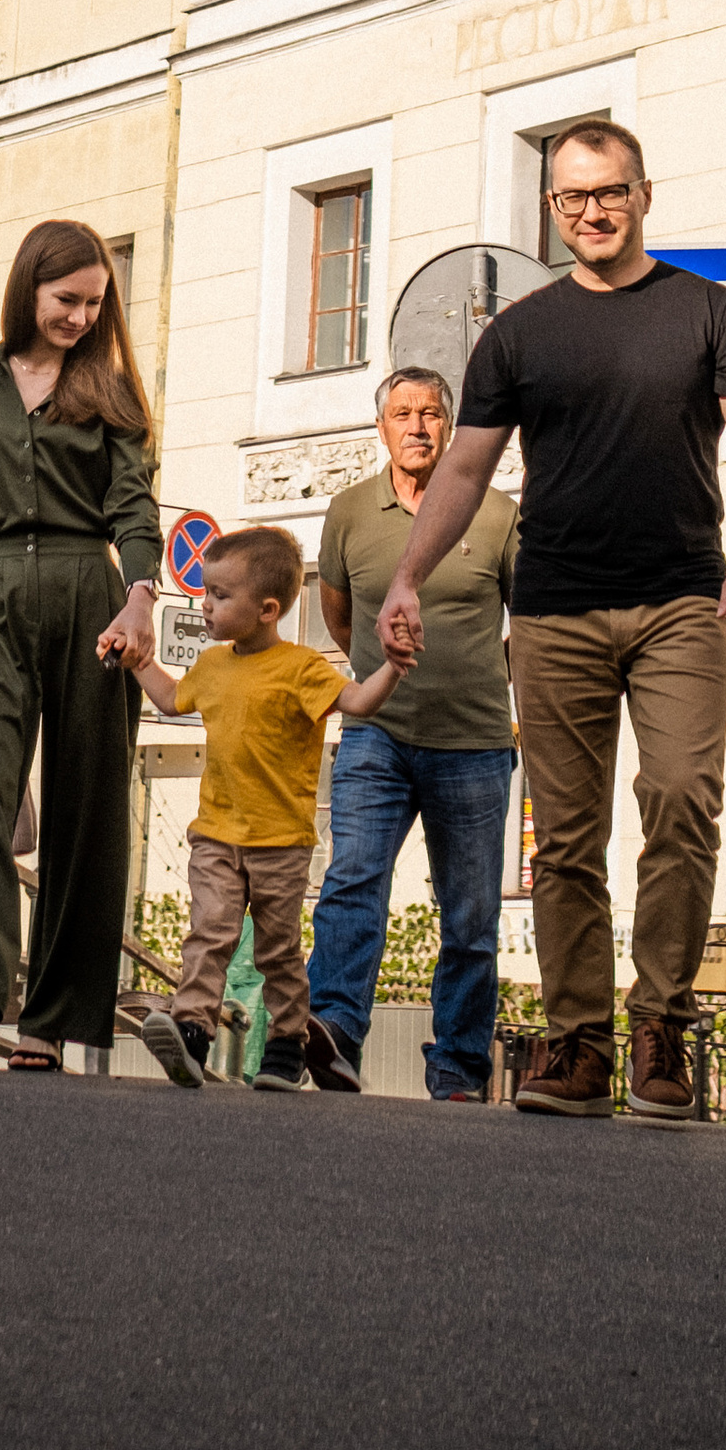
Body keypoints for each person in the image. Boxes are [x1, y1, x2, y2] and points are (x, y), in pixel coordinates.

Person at [378, 124, 726, 1122]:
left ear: (643, 194)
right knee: (565, 837)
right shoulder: (519, 334)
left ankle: (662, 1029)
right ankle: (575, 1044)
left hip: (682, 601)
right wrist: (407, 578)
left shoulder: (708, 311)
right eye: (573, 198)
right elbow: (466, 468)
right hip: (555, 607)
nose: (592, 211)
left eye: (609, 192)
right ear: (552, 210)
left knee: (682, 798)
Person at [0, 219, 161, 1074]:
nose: (80, 317)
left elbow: (133, 506)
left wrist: (140, 597)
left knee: (84, 813)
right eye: (67, 299)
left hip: (90, 597)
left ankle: (49, 1023)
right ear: (29, 287)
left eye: (95, 304)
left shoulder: (111, 392)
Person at [303, 366, 518, 1101]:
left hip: (475, 743)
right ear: (381, 427)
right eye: (403, 413)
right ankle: (334, 1031)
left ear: (450, 428)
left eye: (431, 413)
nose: (418, 426)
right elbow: (341, 618)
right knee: (352, 882)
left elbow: (528, 620)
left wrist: (482, 674)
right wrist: (381, 674)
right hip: (377, 736)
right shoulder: (348, 512)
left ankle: (457, 1068)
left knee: (471, 917)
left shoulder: (496, 514)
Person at [131, 523, 398, 1091]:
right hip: (216, 834)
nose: (206, 606)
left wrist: (393, 667)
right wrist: (137, 660)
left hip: (280, 841)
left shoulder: (302, 668)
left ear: (267, 610)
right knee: (209, 933)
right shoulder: (211, 666)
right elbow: (170, 698)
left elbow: (359, 702)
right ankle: (191, 1031)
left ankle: (286, 1042)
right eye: (206, 592)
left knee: (278, 951)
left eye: (220, 595)